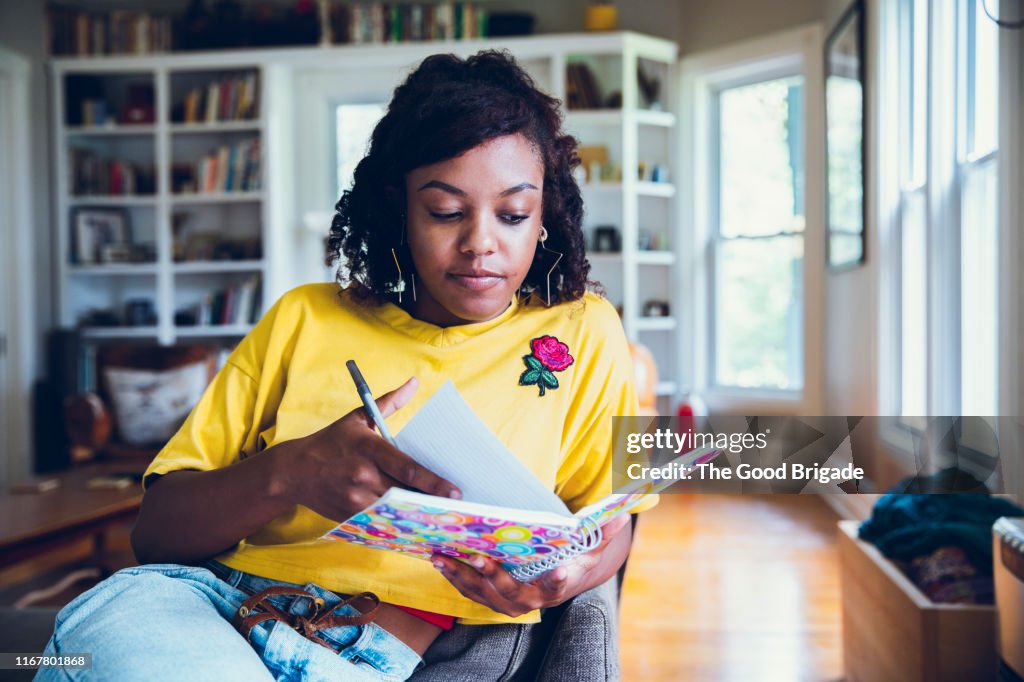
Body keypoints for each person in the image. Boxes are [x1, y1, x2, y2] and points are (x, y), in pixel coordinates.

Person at [38, 50, 654, 681]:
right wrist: (289, 473)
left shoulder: (586, 328)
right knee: (108, 615)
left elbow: (613, 518)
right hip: (209, 614)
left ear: (544, 214)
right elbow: (156, 533)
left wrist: (573, 575)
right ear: (399, 209)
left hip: (386, 652)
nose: (480, 243)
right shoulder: (302, 317)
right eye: (444, 211)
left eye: (514, 214)